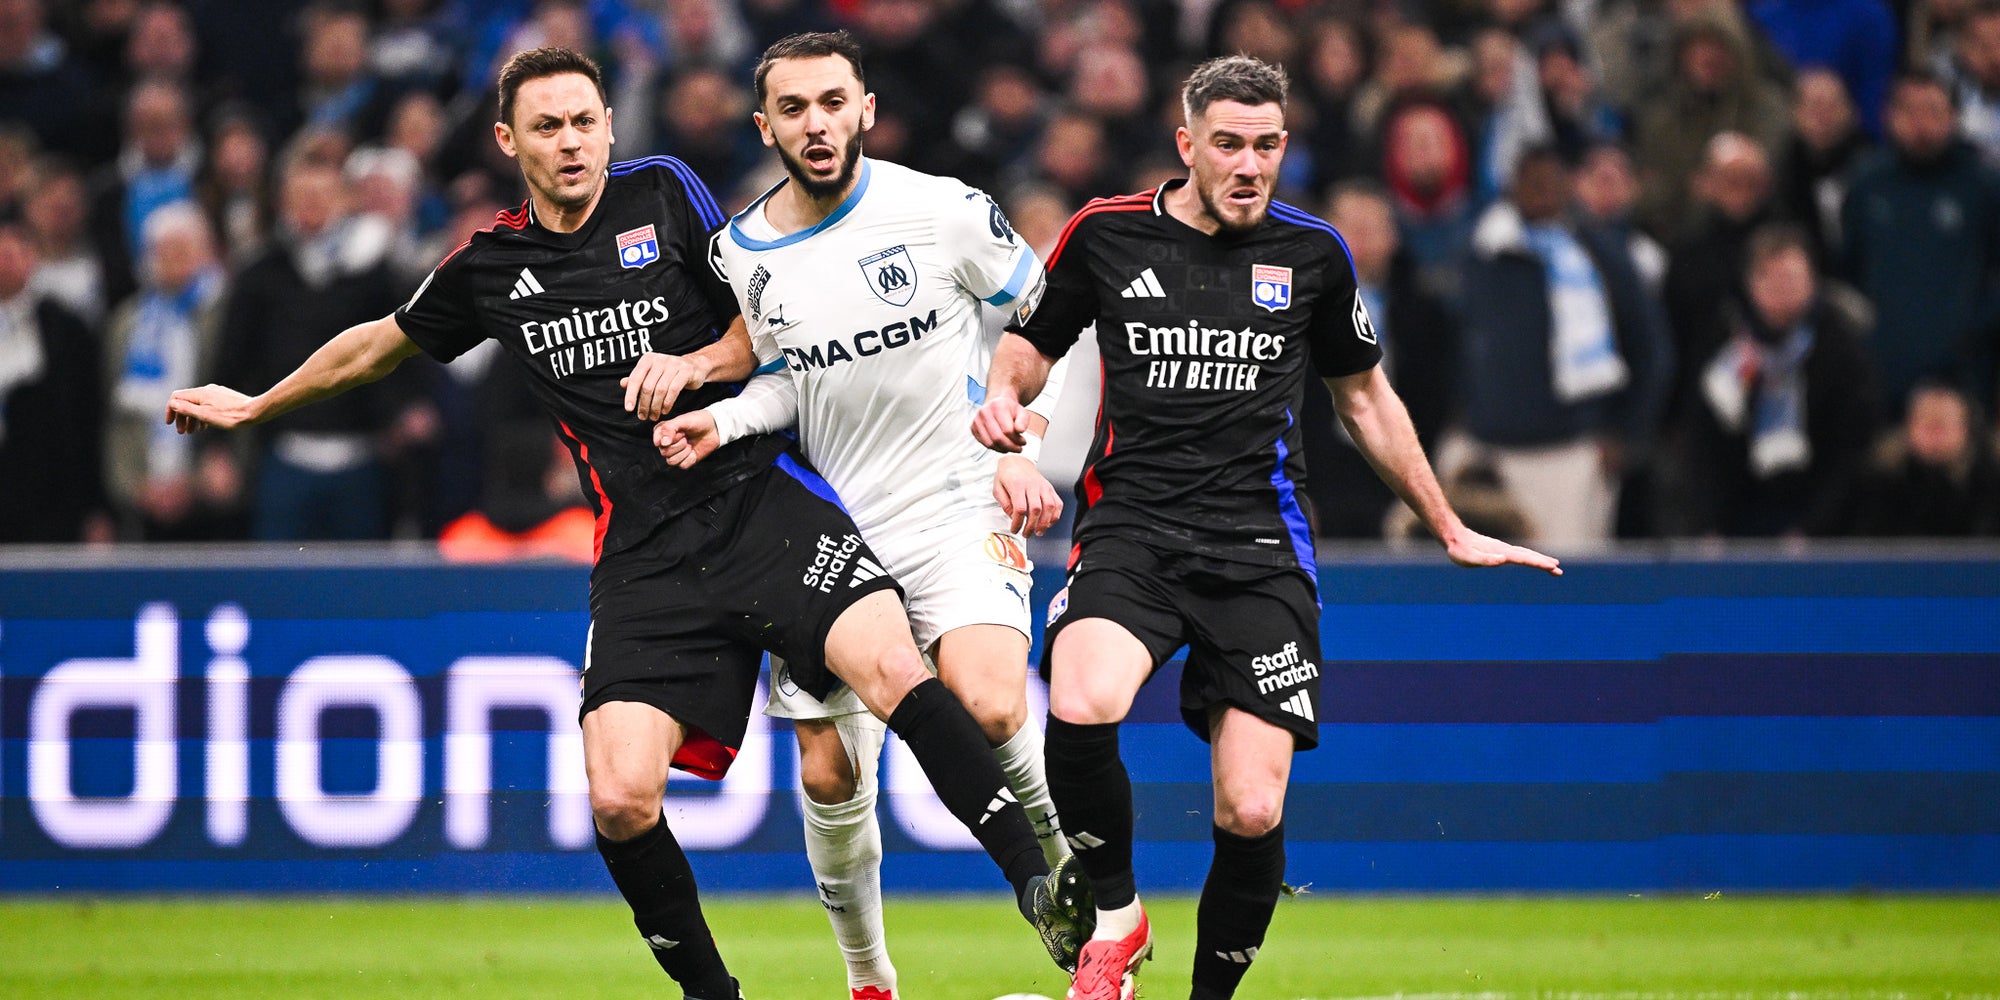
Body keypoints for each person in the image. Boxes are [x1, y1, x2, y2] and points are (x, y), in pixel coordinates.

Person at [165, 45, 1085, 1000]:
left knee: (896, 670)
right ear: (507, 141)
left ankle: (1040, 882)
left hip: (761, 501)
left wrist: (694, 367)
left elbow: (766, 321)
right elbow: (381, 345)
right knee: (618, 797)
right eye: (548, 127)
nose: (571, 143)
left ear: (611, 124)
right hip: (642, 549)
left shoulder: (666, 195)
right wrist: (260, 401)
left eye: (585, 122)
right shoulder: (493, 265)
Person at [972, 55, 1562, 1000]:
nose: (1250, 165)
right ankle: (1117, 927)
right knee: (1081, 702)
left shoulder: (1315, 255)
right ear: (1188, 145)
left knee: (1250, 809)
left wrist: (1447, 523)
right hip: (1132, 526)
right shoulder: (1105, 235)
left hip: (1258, 550)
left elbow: (1365, 400)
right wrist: (1003, 403)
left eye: (1268, 146)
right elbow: (1027, 347)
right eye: (1229, 145)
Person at [653, 32, 1084, 1000]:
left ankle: (1077, 901)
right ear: (764, 126)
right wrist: (716, 419)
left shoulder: (940, 210)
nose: (816, 124)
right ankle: (869, 980)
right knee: (829, 777)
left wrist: (1022, 437)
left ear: (866, 109)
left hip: (953, 499)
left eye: (832, 102)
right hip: (827, 532)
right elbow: (785, 388)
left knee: (990, 700)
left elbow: (1053, 319)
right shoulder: (742, 253)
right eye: (794, 109)